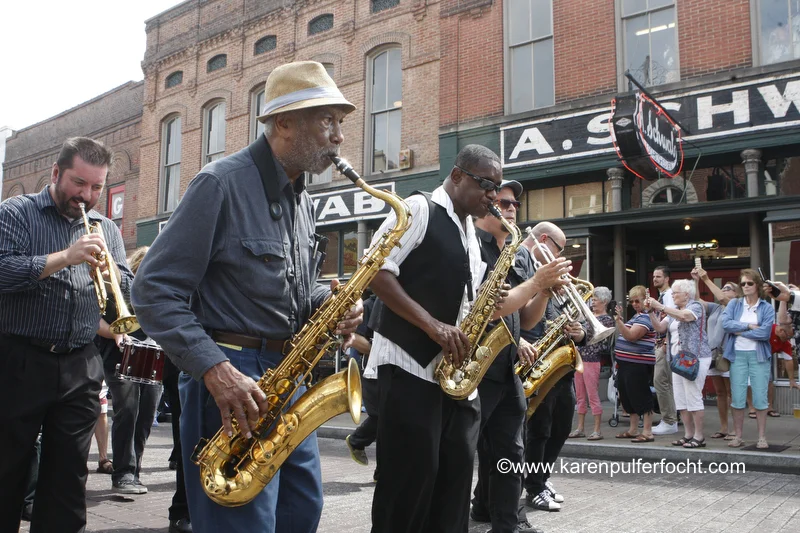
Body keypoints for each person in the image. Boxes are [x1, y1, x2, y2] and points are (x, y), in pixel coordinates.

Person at [131, 61, 363, 533]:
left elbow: (290, 292)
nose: (338, 136)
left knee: (301, 513)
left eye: (339, 123)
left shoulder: (304, 201)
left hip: (285, 376)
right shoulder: (219, 184)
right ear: (284, 123)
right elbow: (152, 289)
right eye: (327, 121)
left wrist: (328, 304)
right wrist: (216, 371)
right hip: (230, 377)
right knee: (241, 523)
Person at [367, 145, 568, 533]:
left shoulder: (472, 234)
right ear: (457, 175)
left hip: (456, 378)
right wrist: (433, 326)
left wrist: (516, 295)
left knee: (455, 483)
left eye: (497, 188)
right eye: (487, 185)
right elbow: (376, 270)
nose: (494, 197)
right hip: (408, 368)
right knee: (408, 486)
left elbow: (476, 307)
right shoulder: (418, 209)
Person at [0, 137, 132, 533]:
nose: (87, 196)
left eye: (97, 187)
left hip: (80, 361)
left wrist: (116, 278)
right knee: (8, 466)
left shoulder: (106, 228)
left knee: (69, 479)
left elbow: (123, 284)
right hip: (21, 356)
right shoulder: (17, 212)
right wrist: (65, 257)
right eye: (79, 183)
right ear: (56, 173)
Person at [469, 181, 555, 533]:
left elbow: (527, 318)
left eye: (514, 203)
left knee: (511, 452)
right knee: (464, 452)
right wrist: (536, 282)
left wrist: (545, 291)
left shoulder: (518, 252)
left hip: (507, 367)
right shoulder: (471, 246)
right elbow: (485, 309)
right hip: (475, 367)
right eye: (502, 202)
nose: (510, 207)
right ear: (485, 208)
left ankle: (508, 524)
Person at [522, 222, 587, 514]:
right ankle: (533, 487)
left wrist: (580, 333)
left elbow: (577, 317)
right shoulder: (524, 268)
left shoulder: (555, 276)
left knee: (560, 427)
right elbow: (514, 316)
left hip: (561, 367)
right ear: (545, 240)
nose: (561, 257)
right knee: (539, 431)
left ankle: (541, 478)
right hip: (535, 363)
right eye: (560, 250)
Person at [97, 246, 163, 496]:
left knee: (146, 414)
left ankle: (134, 471)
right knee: (127, 410)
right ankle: (123, 472)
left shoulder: (158, 291)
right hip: (119, 356)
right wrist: (113, 332)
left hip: (153, 357)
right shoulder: (118, 289)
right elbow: (97, 319)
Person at [646, 279, 712, 448]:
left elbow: (686, 316)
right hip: (678, 359)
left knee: (693, 397)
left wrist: (660, 307)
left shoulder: (695, 306)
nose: (673, 295)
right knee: (681, 400)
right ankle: (688, 435)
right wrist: (651, 312)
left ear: (686, 294)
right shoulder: (674, 311)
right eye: (673, 292)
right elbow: (660, 328)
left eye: (676, 292)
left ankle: (699, 436)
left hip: (695, 358)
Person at [722, 269, 775, 449]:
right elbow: (725, 324)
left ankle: (762, 436)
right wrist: (749, 326)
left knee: (760, 397)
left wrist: (740, 331)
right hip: (737, 355)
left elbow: (765, 333)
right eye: (743, 283)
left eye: (749, 283)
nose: (745, 286)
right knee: (737, 397)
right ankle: (738, 436)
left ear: (757, 286)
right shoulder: (735, 304)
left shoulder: (766, 307)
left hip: (758, 355)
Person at [692, 267, 741, 439]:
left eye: (728, 288)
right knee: (720, 392)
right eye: (724, 287)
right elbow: (697, 302)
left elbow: (722, 297)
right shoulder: (716, 308)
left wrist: (706, 279)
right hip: (713, 354)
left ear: (736, 294)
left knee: (732, 392)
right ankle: (724, 427)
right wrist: (697, 281)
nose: (724, 290)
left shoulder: (736, 306)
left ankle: (736, 429)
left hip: (728, 354)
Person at [612, 285, 657, 443]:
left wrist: (619, 322)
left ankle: (647, 431)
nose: (634, 304)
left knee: (641, 394)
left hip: (638, 363)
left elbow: (631, 336)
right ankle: (633, 429)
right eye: (632, 301)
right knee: (627, 395)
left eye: (637, 300)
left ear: (645, 300)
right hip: (627, 363)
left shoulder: (645, 317)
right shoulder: (637, 316)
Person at [569, 285, 614, 441]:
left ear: (604, 301)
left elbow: (596, 339)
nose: (592, 303)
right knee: (580, 396)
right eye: (592, 300)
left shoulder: (606, 319)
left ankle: (597, 430)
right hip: (580, 358)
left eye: (595, 300)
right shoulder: (589, 317)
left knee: (593, 395)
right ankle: (580, 428)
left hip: (593, 359)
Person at [345, 293, 379, 480]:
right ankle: (357, 441)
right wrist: (382, 350)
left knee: (387, 421)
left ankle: (382, 473)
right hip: (372, 372)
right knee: (383, 419)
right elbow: (355, 339)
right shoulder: (368, 306)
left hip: (388, 371)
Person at [651, 266, 678, 436]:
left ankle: (669, 420)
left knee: (661, 381)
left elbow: (671, 317)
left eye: (659, 276)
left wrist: (666, 341)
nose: (655, 279)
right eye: (654, 276)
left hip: (665, 344)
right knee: (664, 382)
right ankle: (670, 419)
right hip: (660, 343)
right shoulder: (662, 296)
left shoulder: (669, 296)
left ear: (667, 278)